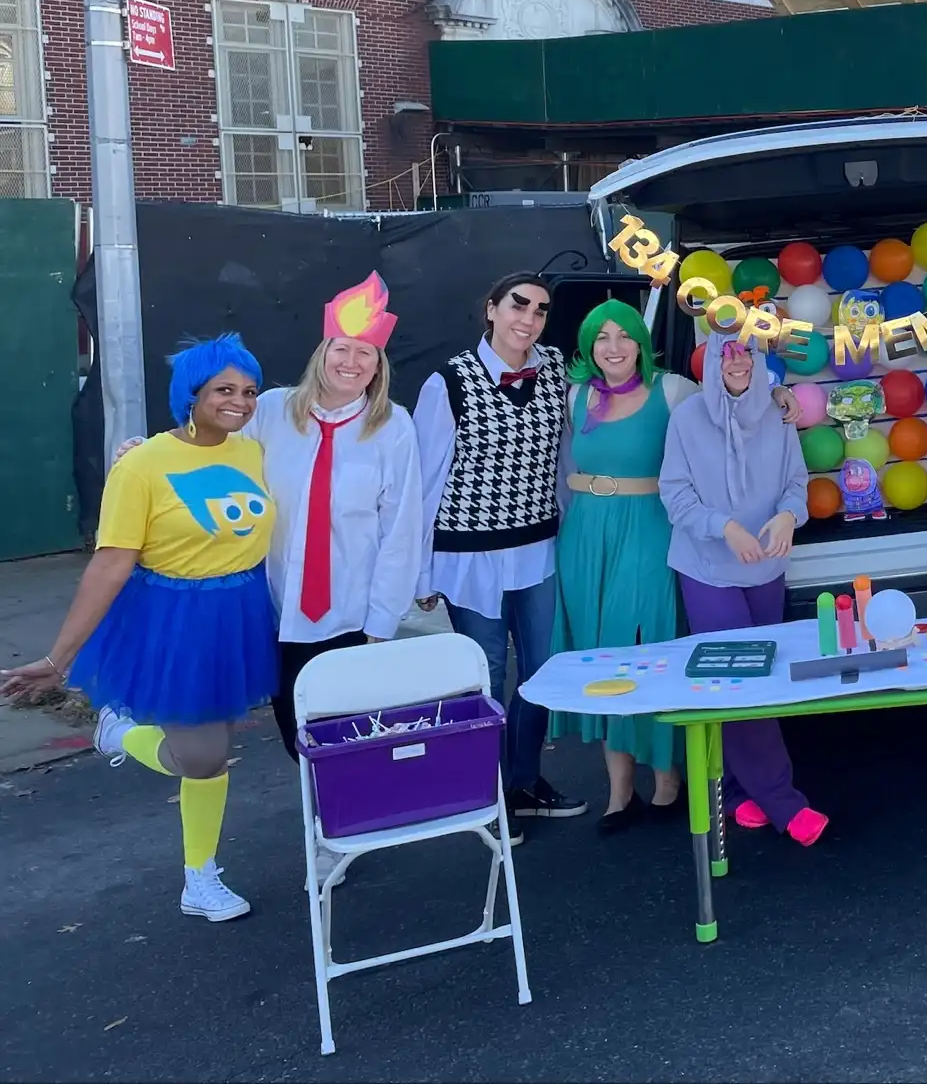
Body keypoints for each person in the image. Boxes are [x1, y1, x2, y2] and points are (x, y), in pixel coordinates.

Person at [3, 335, 276, 922]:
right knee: (201, 756)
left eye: (249, 391)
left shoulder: (250, 452)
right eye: (224, 390)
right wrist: (58, 660)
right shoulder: (144, 465)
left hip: (240, 614)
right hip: (173, 620)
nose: (240, 402)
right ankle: (118, 734)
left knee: (220, 748)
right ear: (191, 394)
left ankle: (199, 877)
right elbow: (109, 565)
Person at [414, 272, 583, 826]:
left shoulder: (556, 368)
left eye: (540, 310)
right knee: (485, 676)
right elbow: (428, 480)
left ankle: (524, 783)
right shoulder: (449, 382)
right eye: (518, 306)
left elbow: (568, 452)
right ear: (491, 309)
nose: (528, 319)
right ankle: (488, 800)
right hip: (470, 558)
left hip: (537, 549)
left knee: (542, 672)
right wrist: (421, 574)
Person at [256, 275, 424, 768]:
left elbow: (402, 530)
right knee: (296, 735)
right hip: (280, 607)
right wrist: (154, 451)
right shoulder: (270, 410)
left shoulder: (393, 427)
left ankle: (351, 827)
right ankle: (324, 829)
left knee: (350, 735)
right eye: (342, 350)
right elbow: (211, 452)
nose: (351, 363)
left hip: (351, 612)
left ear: (378, 366)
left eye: (365, 354)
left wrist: (383, 618)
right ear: (321, 353)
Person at [661, 333, 822, 844]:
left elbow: (797, 482)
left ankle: (732, 791)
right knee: (741, 679)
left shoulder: (778, 413)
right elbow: (675, 493)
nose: (736, 364)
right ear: (710, 362)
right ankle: (783, 800)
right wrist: (723, 526)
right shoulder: (687, 419)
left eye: (745, 354)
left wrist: (788, 516)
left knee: (757, 680)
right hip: (707, 567)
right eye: (725, 354)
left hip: (766, 569)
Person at [553, 300, 690, 834]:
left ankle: (667, 776)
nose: (613, 346)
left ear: (641, 343)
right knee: (600, 655)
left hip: (649, 527)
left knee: (645, 645)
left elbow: (728, 410)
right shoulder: (573, 396)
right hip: (586, 536)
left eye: (624, 336)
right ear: (589, 346)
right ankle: (619, 792)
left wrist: (777, 393)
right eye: (602, 337)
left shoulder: (673, 391)